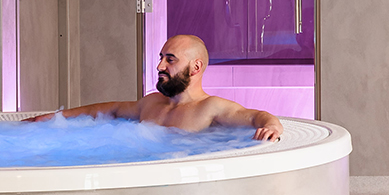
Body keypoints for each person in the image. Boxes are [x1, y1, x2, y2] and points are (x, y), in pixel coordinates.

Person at [26, 34, 283, 141]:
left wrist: (271, 126)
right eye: (161, 57)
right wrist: (56, 117)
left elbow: (255, 116)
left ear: (195, 68)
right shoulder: (151, 103)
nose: (160, 66)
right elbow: (110, 110)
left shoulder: (211, 108)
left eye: (170, 59)